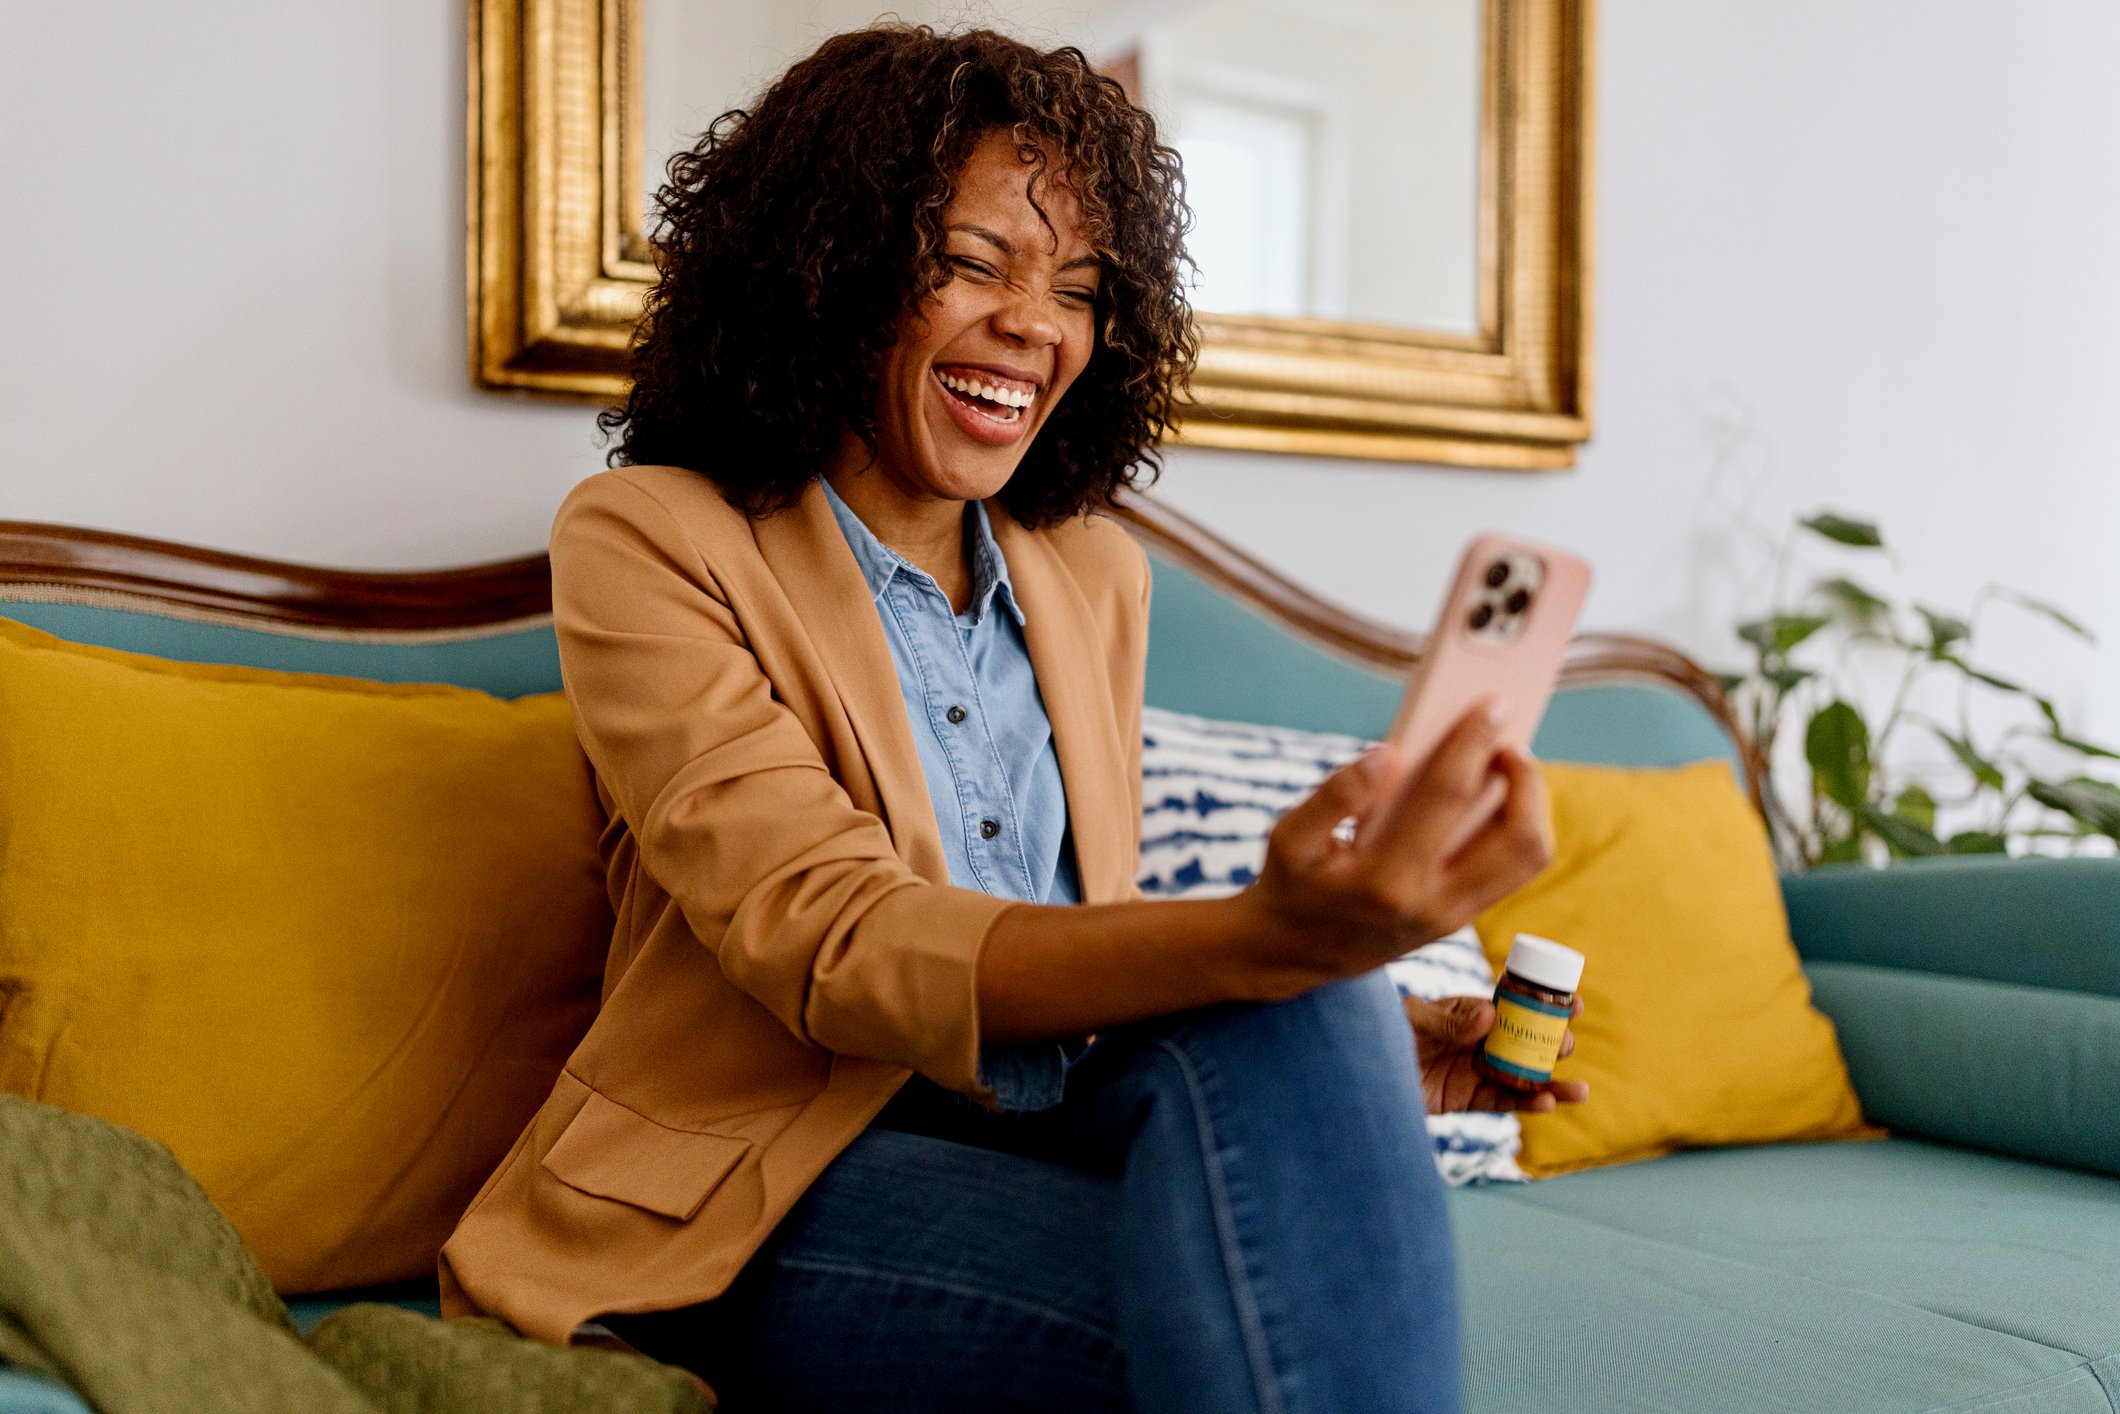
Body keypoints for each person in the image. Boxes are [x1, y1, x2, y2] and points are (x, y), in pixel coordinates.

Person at [440, 25, 1580, 1414]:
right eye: (974, 264)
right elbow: (833, 936)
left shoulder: (1092, 573)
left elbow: (1073, 943)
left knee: (1310, 1016)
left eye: (1080, 290)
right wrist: (1261, 929)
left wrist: (1368, 1050)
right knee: (1266, 1309)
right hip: (753, 1184)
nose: (1037, 326)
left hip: (1040, 1132)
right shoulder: (651, 537)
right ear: (833, 266)